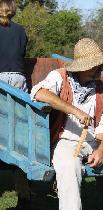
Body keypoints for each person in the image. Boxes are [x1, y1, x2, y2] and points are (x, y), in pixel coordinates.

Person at [30, 38, 103, 210]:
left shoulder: (100, 87)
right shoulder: (60, 77)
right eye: (96, 65)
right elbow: (40, 93)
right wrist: (75, 111)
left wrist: (101, 150)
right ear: (83, 66)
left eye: (100, 64)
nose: (100, 69)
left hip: (96, 141)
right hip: (65, 141)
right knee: (70, 167)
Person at [0, 0, 30, 209]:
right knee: (19, 133)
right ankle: (24, 194)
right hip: (19, 78)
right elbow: (22, 52)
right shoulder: (20, 30)